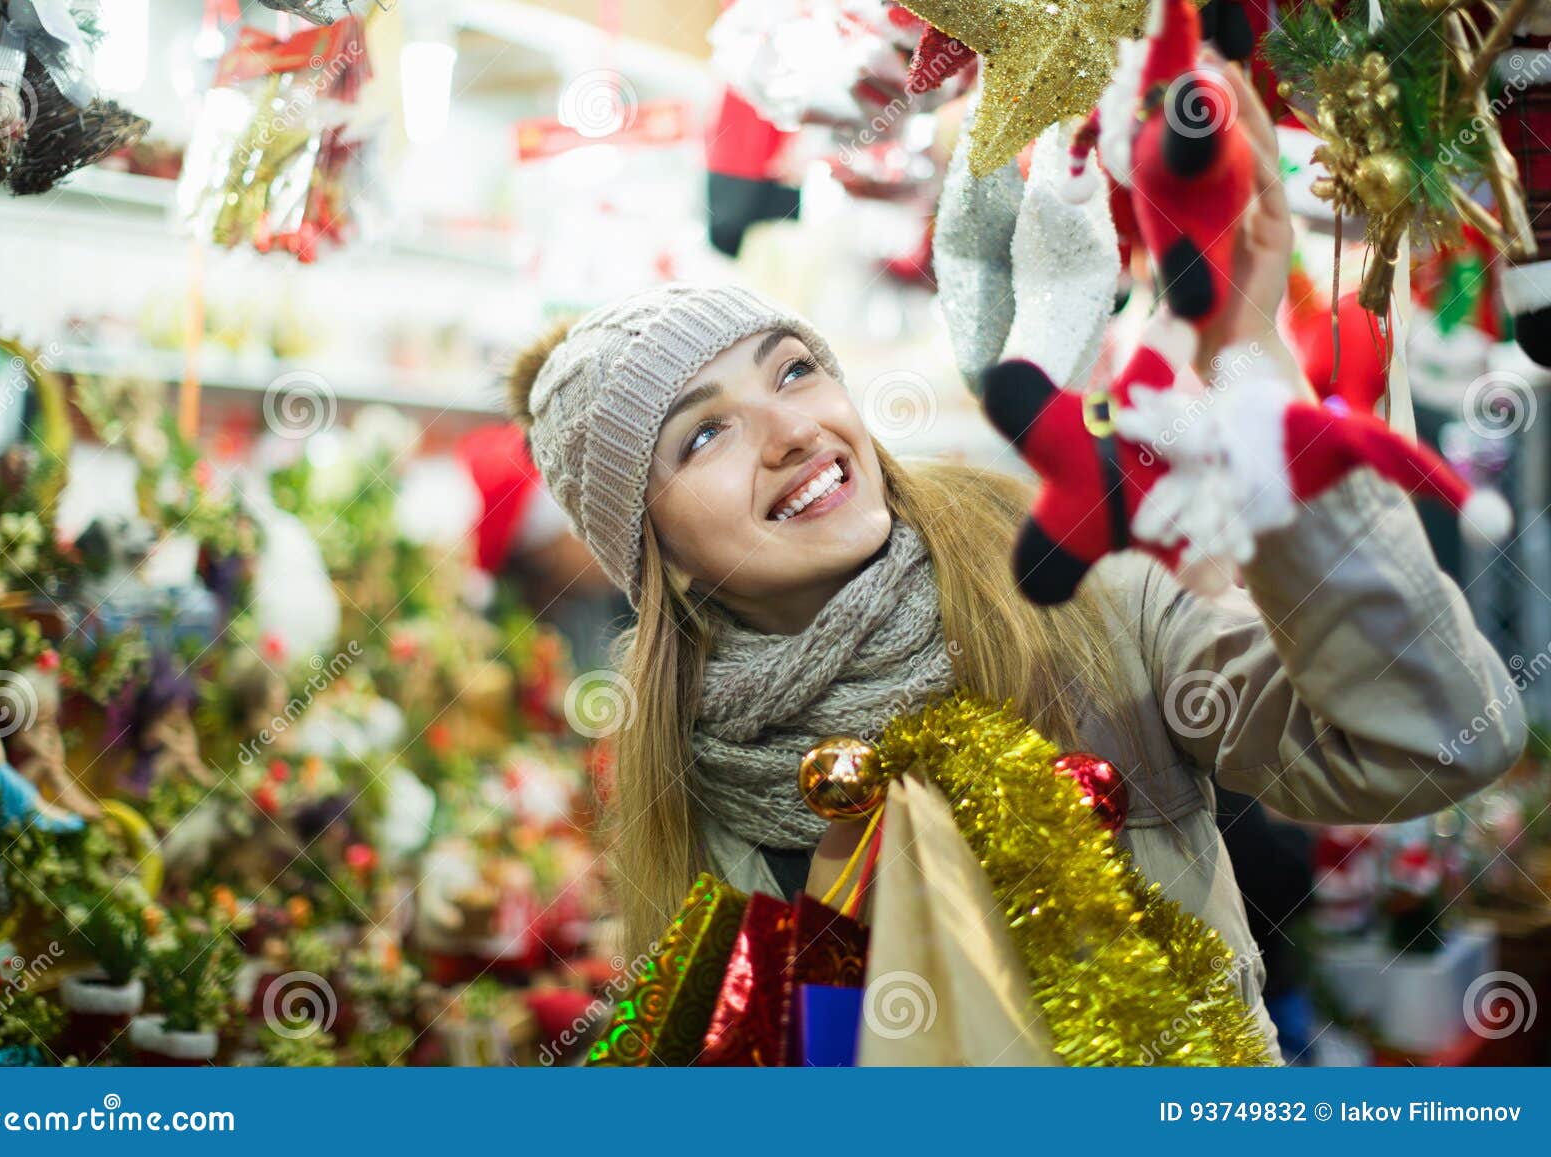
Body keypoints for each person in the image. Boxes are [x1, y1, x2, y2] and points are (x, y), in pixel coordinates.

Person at [502, 66, 1527, 1064]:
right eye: (701, 437)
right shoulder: (689, 776)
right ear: (657, 558)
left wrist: (1255, 376)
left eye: (795, 370)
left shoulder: (1086, 597)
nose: (790, 431)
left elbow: (1432, 742)